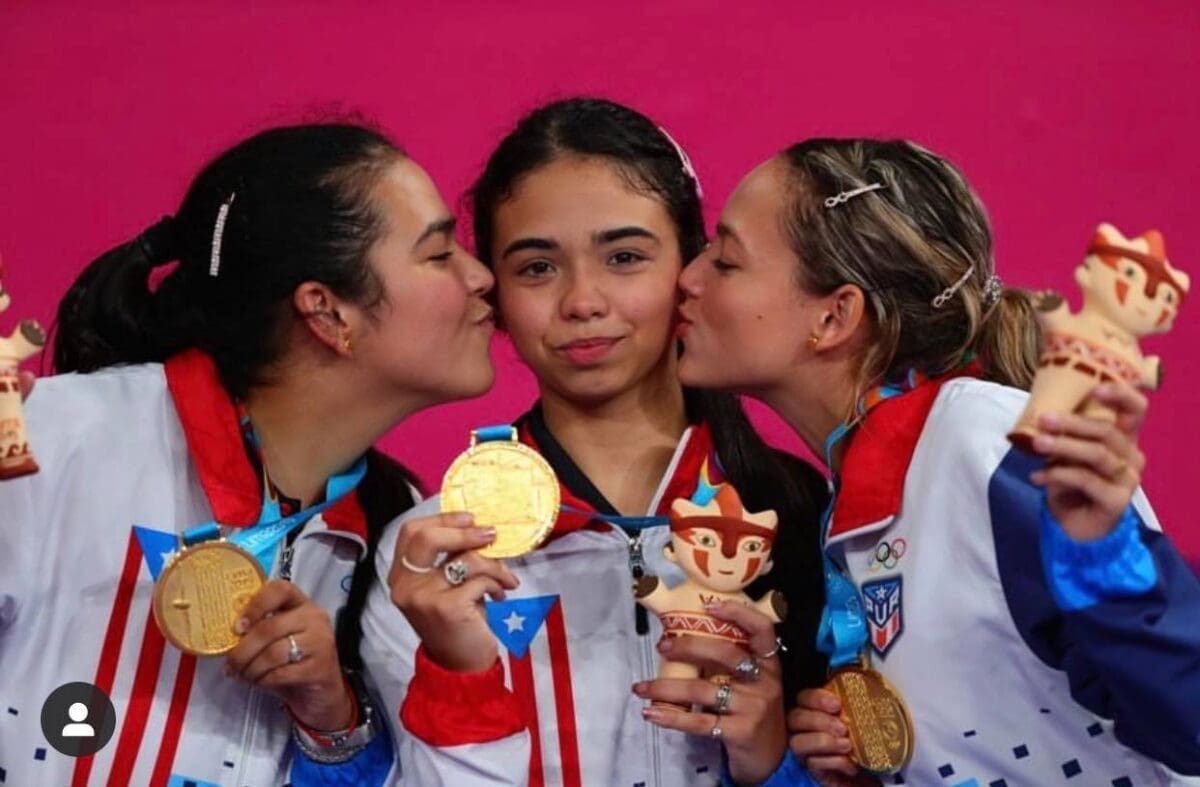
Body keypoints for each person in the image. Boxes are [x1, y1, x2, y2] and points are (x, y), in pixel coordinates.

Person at [675, 138, 1200, 785]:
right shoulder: (856, 499)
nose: (688, 278)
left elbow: (1188, 715)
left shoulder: (988, 441)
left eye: (725, 260)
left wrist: (1105, 560)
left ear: (835, 315)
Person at [0, 122, 496, 786]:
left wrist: (332, 718)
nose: (482, 276)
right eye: (439, 254)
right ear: (328, 313)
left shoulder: (396, 527)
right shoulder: (48, 438)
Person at [360, 98, 830, 786]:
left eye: (624, 256)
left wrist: (773, 766)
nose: (583, 300)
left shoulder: (804, 513)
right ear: (492, 293)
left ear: (692, 271)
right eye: (537, 268)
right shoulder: (434, 555)